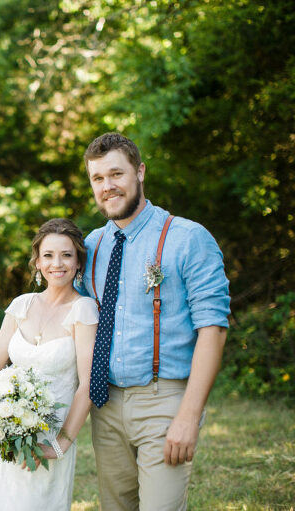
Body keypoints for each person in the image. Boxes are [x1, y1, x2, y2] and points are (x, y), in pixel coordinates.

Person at [80, 132, 231, 511]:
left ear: (140, 172)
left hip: (164, 401)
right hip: (106, 405)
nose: (108, 186)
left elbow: (213, 329)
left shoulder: (188, 238)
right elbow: (75, 323)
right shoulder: (91, 246)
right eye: (98, 179)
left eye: (116, 174)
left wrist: (189, 416)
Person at [0, 218, 99, 511]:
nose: (56, 263)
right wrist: (0, 422)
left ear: (78, 262)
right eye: (48, 255)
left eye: (66, 255)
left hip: (51, 435)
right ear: (37, 262)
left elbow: (87, 385)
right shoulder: (21, 305)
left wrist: (60, 445)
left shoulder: (83, 310)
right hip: (8, 435)